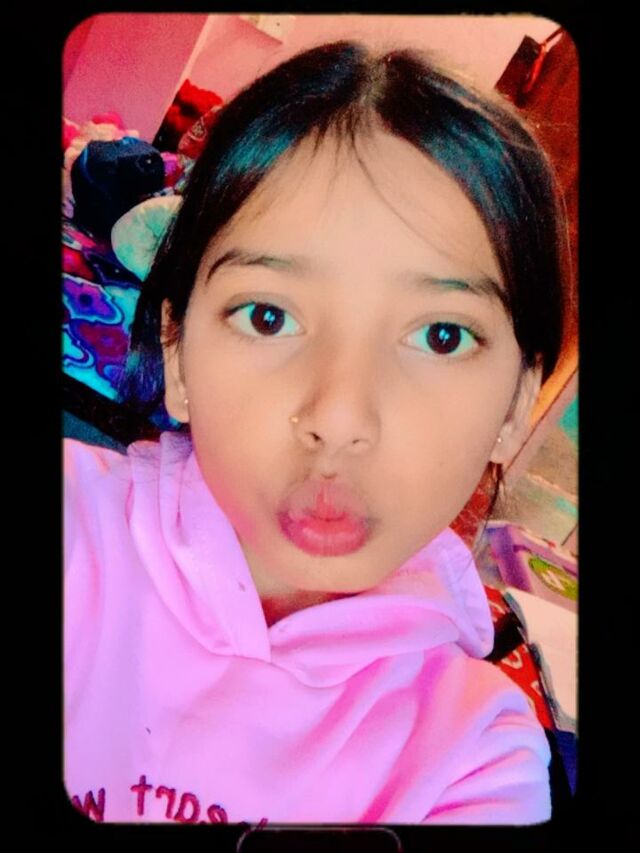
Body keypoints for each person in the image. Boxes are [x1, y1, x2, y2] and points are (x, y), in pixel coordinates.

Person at [64, 40, 568, 825]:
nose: (339, 416)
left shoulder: (475, 759)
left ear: (514, 409)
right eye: (268, 316)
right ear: (177, 353)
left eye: (440, 336)